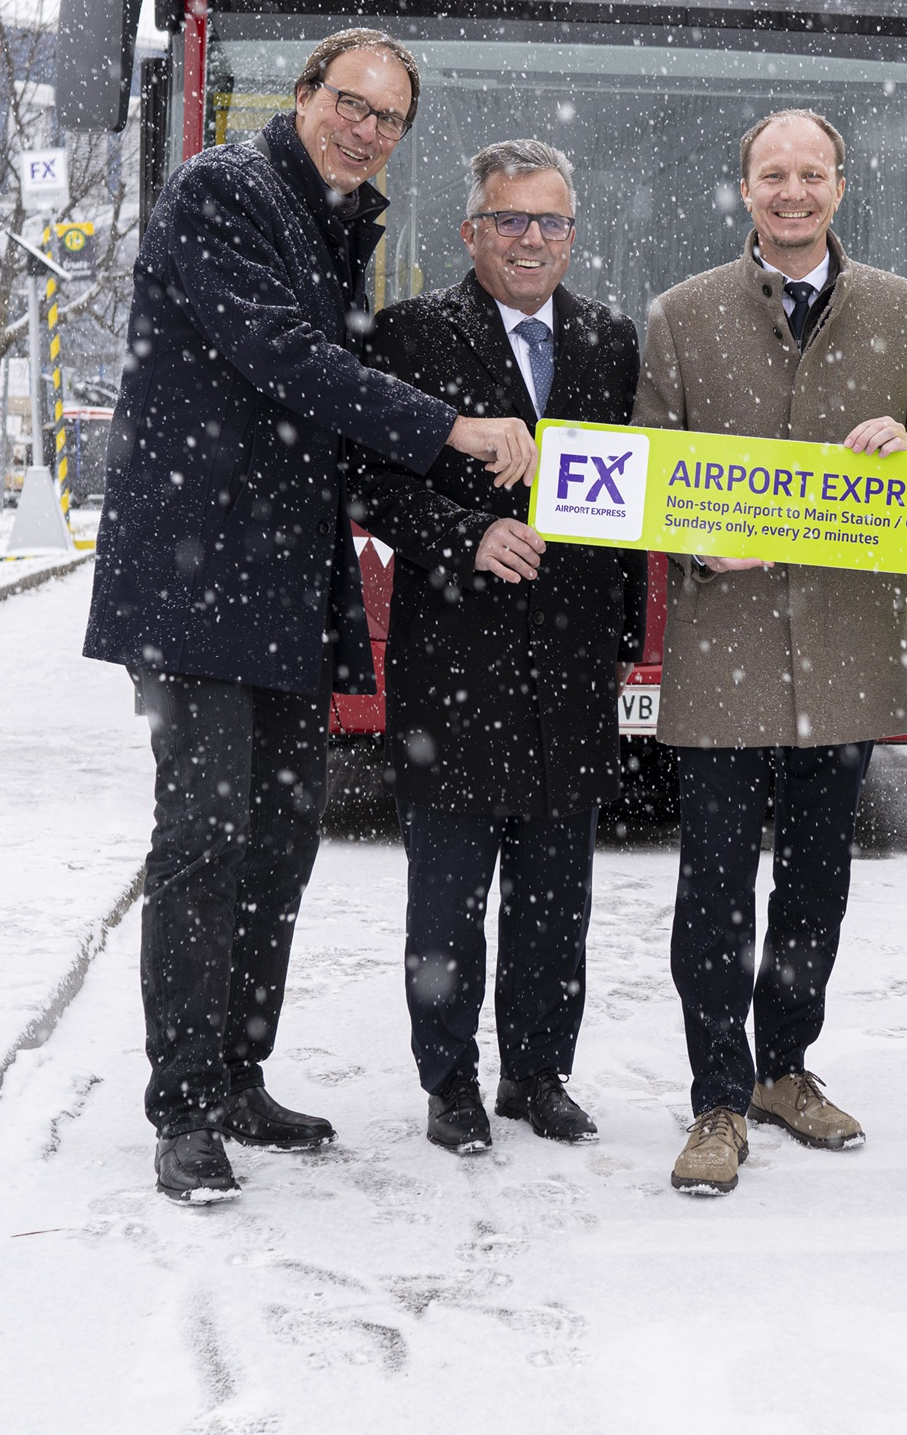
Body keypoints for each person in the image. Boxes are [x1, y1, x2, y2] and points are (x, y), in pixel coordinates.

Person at [83, 28, 538, 1205]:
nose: (366, 130)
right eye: (351, 104)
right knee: (203, 841)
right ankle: (182, 1107)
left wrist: (433, 482)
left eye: (389, 119)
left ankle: (239, 1075)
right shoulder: (220, 192)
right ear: (303, 96)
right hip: (198, 579)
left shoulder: (335, 219)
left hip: (286, 579)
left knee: (282, 842)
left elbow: (321, 411)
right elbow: (288, 362)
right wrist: (450, 430)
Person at [633, 107, 907, 1197]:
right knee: (716, 887)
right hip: (723, 650)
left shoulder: (906, 313)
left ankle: (785, 1069)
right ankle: (717, 1098)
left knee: (816, 883)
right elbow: (642, 477)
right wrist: (691, 540)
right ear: (745, 187)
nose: (790, 192)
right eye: (770, 174)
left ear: (837, 186)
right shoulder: (680, 317)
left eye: (809, 174)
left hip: (845, 648)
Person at [344, 139, 644, 1158]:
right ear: (470, 231)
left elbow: (634, 499)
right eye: (509, 220)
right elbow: (370, 484)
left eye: (549, 222)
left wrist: (629, 641)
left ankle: (536, 1076)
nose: (530, 240)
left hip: (570, 666)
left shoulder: (610, 340)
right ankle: (451, 1085)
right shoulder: (411, 336)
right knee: (448, 901)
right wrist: (463, 535)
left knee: (559, 899)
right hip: (454, 665)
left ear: (572, 233)